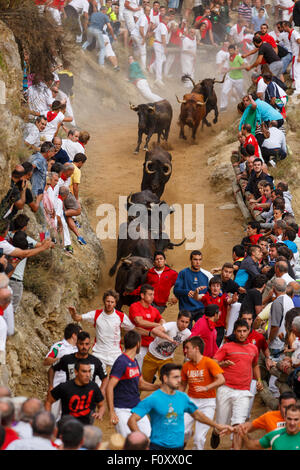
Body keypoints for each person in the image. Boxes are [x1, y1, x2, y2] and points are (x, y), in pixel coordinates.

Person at [128, 363, 233, 450]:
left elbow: (198, 415)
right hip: (157, 447)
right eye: (175, 377)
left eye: (179, 377)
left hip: (178, 447)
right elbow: (132, 420)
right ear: (165, 378)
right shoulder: (153, 398)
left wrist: (217, 426)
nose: (179, 380)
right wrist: (142, 441)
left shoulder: (183, 397)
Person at [211, 319, 263, 450]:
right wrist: (223, 364)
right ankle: (216, 432)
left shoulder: (253, 348)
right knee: (221, 423)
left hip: (243, 391)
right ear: (234, 332)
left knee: (239, 425)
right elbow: (213, 362)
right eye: (239, 331)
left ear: (248, 332)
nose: (241, 334)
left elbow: (255, 365)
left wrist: (259, 380)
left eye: (244, 331)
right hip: (225, 388)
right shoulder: (227, 347)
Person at [68, 289, 146, 369]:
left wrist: (149, 333)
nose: (109, 304)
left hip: (115, 353)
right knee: (96, 380)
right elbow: (77, 318)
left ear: (115, 303)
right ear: (104, 301)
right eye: (108, 301)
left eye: (112, 302)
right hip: (99, 353)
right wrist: (74, 314)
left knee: (118, 380)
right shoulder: (96, 314)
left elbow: (133, 329)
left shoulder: (121, 316)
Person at [106, 330, 158, 438]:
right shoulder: (121, 361)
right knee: (130, 442)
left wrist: (158, 386)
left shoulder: (134, 362)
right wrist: (111, 412)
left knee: (148, 438)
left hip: (137, 407)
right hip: (121, 409)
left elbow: (140, 384)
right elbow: (110, 386)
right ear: (138, 344)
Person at [180, 336, 225, 450]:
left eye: (187, 348)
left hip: (207, 403)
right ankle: (187, 436)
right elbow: (182, 386)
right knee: (182, 432)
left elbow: (221, 379)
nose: (185, 351)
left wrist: (207, 387)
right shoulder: (186, 366)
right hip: (190, 402)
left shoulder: (209, 362)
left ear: (196, 348)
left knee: (199, 438)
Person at [45, 359, 105, 425]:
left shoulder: (94, 387)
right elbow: (48, 401)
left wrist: (100, 413)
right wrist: (48, 419)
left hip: (86, 427)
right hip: (67, 427)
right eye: (84, 371)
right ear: (76, 372)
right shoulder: (64, 387)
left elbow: (101, 405)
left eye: (89, 371)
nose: (88, 375)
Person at [48, 331, 108, 397]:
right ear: (76, 344)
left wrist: (102, 389)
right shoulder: (67, 359)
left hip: (88, 400)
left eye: (86, 344)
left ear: (90, 345)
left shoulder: (95, 361)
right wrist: (51, 386)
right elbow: (52, 369)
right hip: (69, 397)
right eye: (81, 344)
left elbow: (104, 377)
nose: (84, 347)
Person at [141, 310, 192, 383]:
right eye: (182, 321)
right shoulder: (171, 325)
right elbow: (154, 330)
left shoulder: (187, 333)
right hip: (152, 356)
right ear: (177, 320)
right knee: (144, 382)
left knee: (168, 382)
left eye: (186, 322)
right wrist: (168, 338)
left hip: (167, 360)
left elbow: (190, 345)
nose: (184, 324)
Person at [174, 250, 213, 328]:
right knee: (186, 334)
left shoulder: (206, 275)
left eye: (199, 259)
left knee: (203, 331)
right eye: (195, 259)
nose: (197, 262)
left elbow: (212, 291)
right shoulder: (183, 273)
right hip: (186, 310)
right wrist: (187, 292)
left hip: (201, 310)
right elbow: (176, 290)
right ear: (191, 260)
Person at [128, 284, 164, 369]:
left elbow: (162, 320)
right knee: (136, 372)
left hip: (151, 346)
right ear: (142, 295)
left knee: (150, 374)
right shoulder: (135, 306)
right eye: (150, 294)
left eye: (153, 294)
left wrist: (161, 323)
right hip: (137, 346)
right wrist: (157, 324)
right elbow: (139, 322)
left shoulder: (154, 309)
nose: (152, 297)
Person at [220, 44, 245, 112]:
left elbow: (244, 66)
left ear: (234, 50)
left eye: (232, 50)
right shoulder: (228, 57)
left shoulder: (238, 57)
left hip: (238, 79)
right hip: (230, 78)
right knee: (224, 91)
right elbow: (227, 65)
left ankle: (246, 105)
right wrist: (224, 71)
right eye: (229, 50)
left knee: (241, 94)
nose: (230, 52)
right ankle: (223, 107)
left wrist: (235, 68)